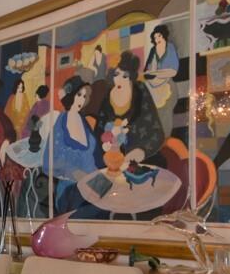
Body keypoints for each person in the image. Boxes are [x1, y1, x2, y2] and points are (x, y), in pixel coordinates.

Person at [43, 78, 103, 217]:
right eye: (78, 95)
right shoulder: (61, 124)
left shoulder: (83, 121)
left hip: (92, 182)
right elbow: (49, 161)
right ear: (70, 96)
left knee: (113, 201)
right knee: (91, 210)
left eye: (84, 96)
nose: (81, 100)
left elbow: (95, 156)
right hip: (70, 189)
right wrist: (75, 172)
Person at [97, 53, 166, 165]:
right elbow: (98, 132)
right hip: (114, 160)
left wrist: (142, 151)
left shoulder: (140, 90)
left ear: (131, 76)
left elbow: (157, 133)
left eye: (125, 76)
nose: (120, 80)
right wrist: (107, 146)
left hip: (143, 159)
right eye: (116, 74)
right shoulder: (107, 97)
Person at [143, 24, 180, 133]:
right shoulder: (153, 50)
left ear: (164, 35)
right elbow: (147, 70)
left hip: (167, 84)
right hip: (153, 84)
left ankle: (166, 134)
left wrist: (156, 73)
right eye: (155, 37)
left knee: (165, 113)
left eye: (159, 36)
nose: (157, 39)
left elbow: (173, 71)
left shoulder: (170, 48)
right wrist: (153, 73)